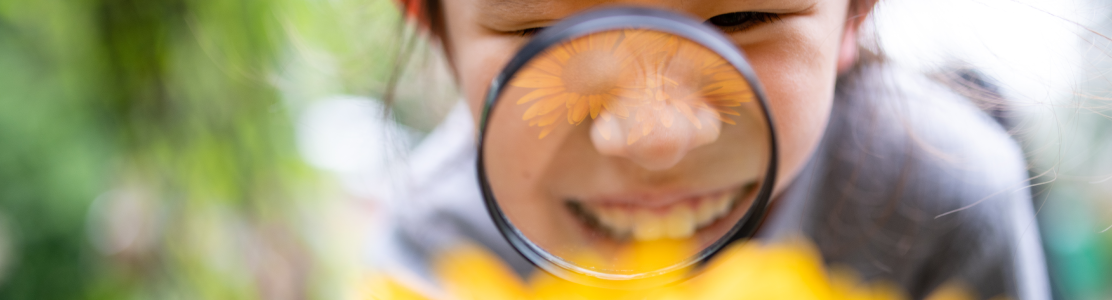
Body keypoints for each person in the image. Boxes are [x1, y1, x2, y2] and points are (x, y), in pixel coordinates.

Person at [373, 0, 1051, 299]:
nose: (653, 139)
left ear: (856, 11)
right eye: (541, 32)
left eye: (739, 18)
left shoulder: (947, 196)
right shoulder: (438, 243)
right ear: (434, 24)